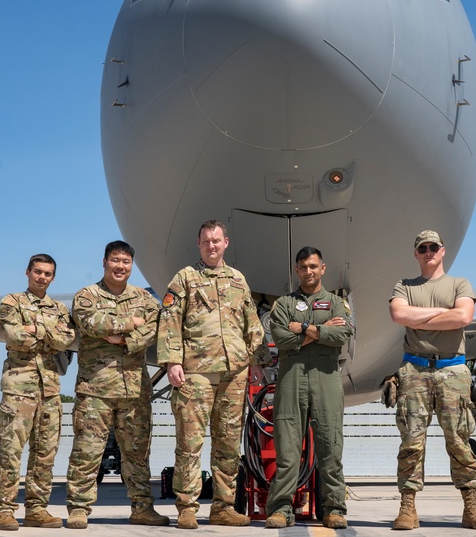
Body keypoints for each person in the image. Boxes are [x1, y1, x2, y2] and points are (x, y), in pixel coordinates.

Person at [158, 220, 272, 530]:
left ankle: (223, 506)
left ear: (226, 243)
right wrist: (172, 361)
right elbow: (169, 320)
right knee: (189, 443)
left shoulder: (238, 280)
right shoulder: (185, 278)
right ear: (199, 244)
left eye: (217, 240)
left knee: (227, 444)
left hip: (234, 372)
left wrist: (258, 360)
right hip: (195, 372)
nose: (212, 245)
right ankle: (187, 506)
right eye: (206, 241)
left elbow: (252, 322)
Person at [388, 230, 476, 531]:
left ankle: (471, 507)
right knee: (411, 442)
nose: (428, 251)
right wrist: (442, 312)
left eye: (433, 247)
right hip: (414, 371)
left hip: (453, 370)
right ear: (416, 253)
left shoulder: (459, 284)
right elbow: (398, 314)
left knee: (460, 441)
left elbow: (462, 318)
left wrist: (417, 316)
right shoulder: (404, 285)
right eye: (423, 247)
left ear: (443, 250)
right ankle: (407, 507)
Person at [64, 240, 168, 529]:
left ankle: (142, 508)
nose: (120, 266)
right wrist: (130, 322)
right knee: (87, 451)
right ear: (104, 262)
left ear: (131, 265)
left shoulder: (145, 300)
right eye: (115, 260)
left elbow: (155, 328)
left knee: (137, 453)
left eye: (126, 262)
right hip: (94, 389)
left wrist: (124, 339)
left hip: (134, 390)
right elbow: (89, 322)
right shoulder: (87, 295)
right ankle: (78, 509)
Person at [264, 247, 352, 530]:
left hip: (326, 380)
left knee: (330, 447)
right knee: (287, 450)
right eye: (303, 267)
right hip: (292, 380)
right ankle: (280, 509)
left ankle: (334, 508)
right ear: (296, 270)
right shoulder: (283, 304)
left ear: (322, 268)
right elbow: (280, 338)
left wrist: (301, 328)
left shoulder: (337, 303)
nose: (308, 271)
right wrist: (320, 331)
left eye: (313, 266)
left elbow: (342, 333)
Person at [0, 253, 76, 531]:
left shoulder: (60, 309)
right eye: (37, 271)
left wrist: (34, 328)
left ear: (53, 277)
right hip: (19, 389)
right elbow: (15, 337)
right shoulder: (11, 302)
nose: (42, 277)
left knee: (45, 454)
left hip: (50, 390)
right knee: (11, 451)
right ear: (27, 272)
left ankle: (36, 509)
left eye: (48, 273)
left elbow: (66, 340)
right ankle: (4, 510)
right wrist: (48, 331)